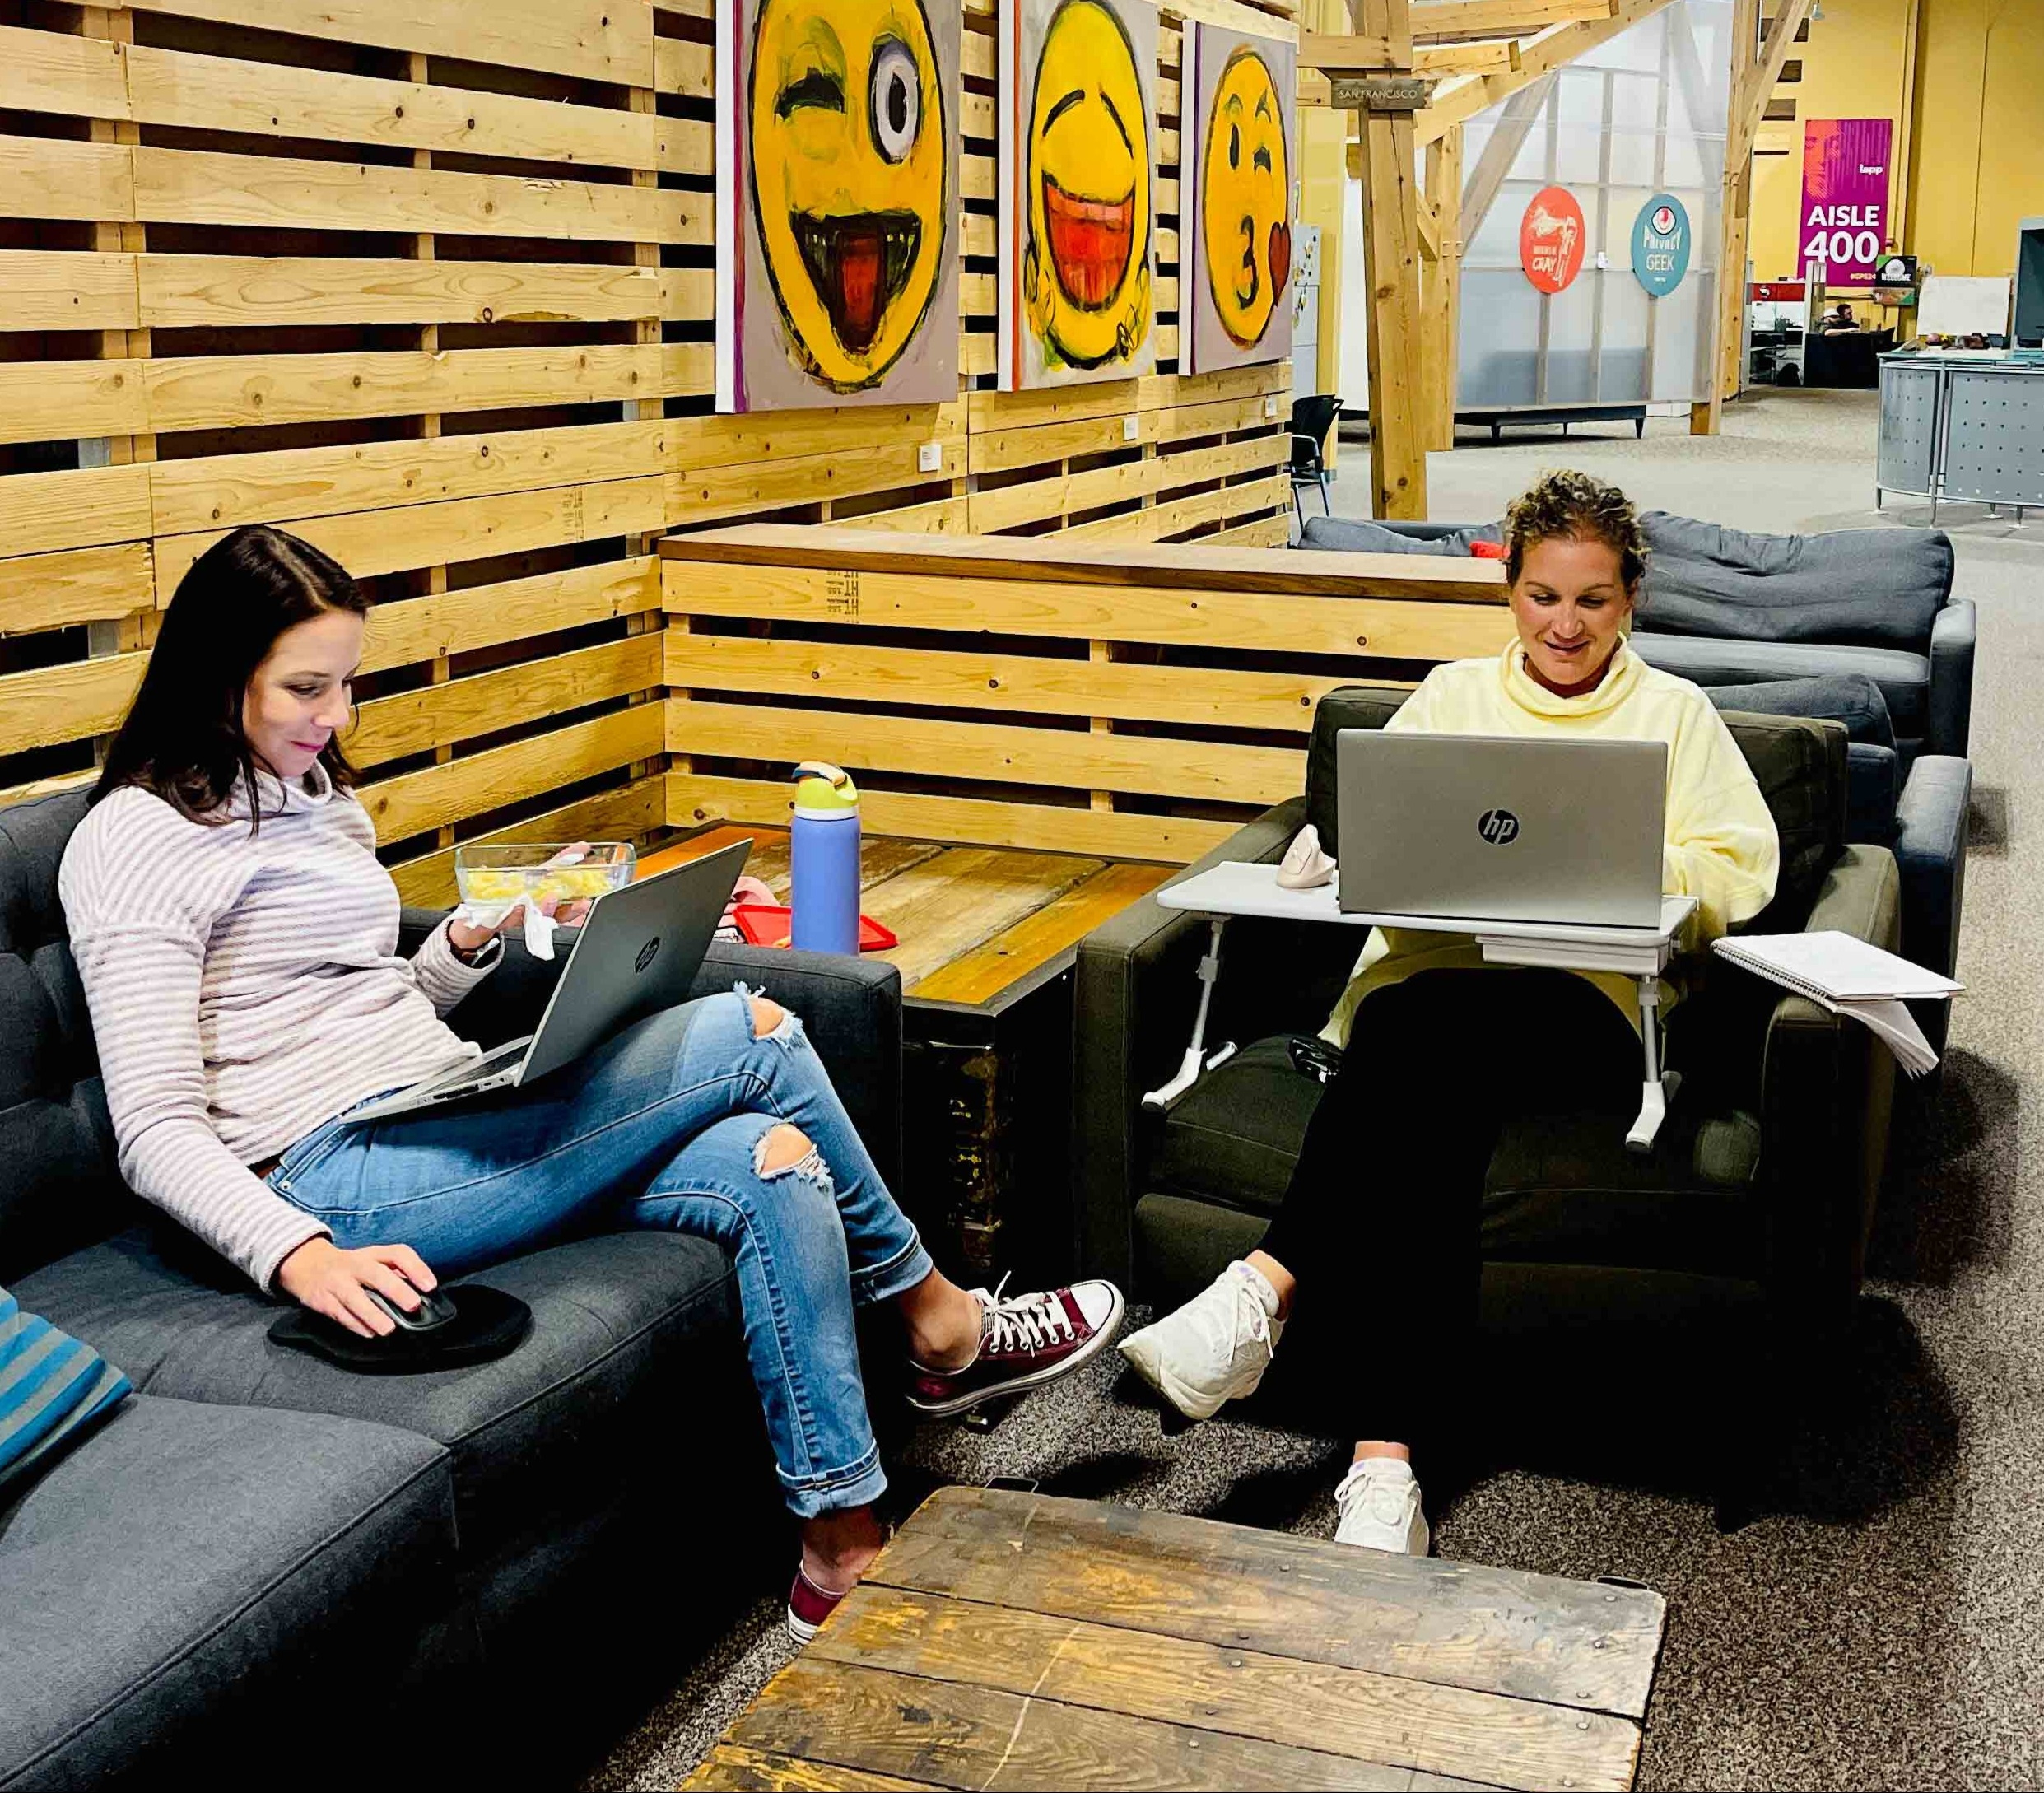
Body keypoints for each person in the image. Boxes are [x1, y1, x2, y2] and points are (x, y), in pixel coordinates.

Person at [58, 524, 1124, 1642]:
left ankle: (841, 1551)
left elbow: (363, 1002)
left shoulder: (309, 787)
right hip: (327, 1178)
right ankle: (942, 1325)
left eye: (348, 684)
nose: (333, 718)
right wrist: (300, 1252)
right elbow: (156, 1130)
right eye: (306, 687)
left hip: (438, 1111)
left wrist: (467, 947)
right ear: (217, 673)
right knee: (755, 1030)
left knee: (776, 1164)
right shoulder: (136, 839)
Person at [1119, 470, 1780, 1557]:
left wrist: (1621, 862)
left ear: (1631, 601)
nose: (1564, 625)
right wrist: (1333, 849)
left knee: (1417, 1032)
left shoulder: (1677, 715)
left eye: (1593, 601)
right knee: (1424, 1060)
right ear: (1508, 590)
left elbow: (1738, 869)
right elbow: (1380, 833)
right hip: (1431, 995)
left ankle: (1262, 1291)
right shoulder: (1452, 694)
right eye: (1541, 596)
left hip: (1592, 1012)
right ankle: (1385, 1474)